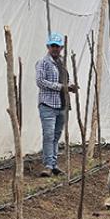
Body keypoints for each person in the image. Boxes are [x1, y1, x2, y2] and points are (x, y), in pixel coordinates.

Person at [36, 32, 77, 177]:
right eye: (52, 46)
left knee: (56, 135)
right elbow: (40, 82)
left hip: (62, 104)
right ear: (48, 46)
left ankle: (53, 164)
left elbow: (64, 82)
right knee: (48, 134)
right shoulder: (43, 62)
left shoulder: (62, 63)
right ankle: (47, 165)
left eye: (57, 46)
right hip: (48, 104)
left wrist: (70, 87)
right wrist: (62, 87)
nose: (55, 48)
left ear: (61, 48)